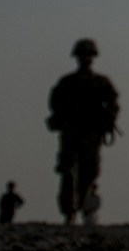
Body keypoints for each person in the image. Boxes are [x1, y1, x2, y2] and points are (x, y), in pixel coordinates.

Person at [47, 38, 120, 224]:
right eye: (82, 55)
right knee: (68, 170)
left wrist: (109, 119)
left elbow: (113, 104)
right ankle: (69, 211)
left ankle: (81, 205)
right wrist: (60, 119)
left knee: (90, 171)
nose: (85, 59)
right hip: (71, 131)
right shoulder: (66, 83)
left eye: (88, 55)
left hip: (92, 133)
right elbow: (54, 104)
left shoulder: (102, 83)